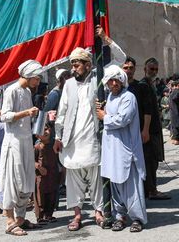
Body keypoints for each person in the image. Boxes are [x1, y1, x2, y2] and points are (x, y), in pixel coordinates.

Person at [55, 48, 106, 231]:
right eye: (72, 65)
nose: (74, 68)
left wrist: (106, 40)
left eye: (77, 65)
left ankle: (98, 212)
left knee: (95, 179)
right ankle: (77, 215)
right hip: (72, 142)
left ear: (88, 65)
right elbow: (61, 112)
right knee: (74, 181)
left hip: (92, 139)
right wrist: (57, 136)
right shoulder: (68, 84)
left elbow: (119, 59)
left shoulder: (98, 79)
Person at [97, 64, 147, 232]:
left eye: (117, 80)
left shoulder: (129, 97)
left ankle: (137, 219)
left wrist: (104, 117)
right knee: (116, 185)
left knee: (131, 185)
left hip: (127, 149)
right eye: (110, 81)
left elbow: (123, 119)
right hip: (112, 149)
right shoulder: (109, 98)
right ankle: (120, 216)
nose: (114, 84)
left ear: (122, 81)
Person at [0, 60, 43, 235]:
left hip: (25, 140)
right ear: (28, 75)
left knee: (26, 179)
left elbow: (26, 118)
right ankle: (10, 221)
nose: (38, 82)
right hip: (13, 141)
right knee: (12, 180)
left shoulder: (26, 92)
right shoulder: (12, 90)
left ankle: (21, 219)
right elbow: (4, 116)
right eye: (36, 78)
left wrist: (34, 115)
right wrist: (26, 113)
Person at [34, 69, 69, 224]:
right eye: (66, 78)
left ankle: (50, 210)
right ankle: (42, 213)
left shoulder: (65, 92)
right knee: (43, 188)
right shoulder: (56, 94)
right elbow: (47, 114)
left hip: (57, 139)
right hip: (53, 137)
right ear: (60, 80)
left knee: (54, 180)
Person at [141, 57, 168, 200]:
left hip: (155, 129)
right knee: (150, 162)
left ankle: (150, 189)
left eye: (156, 69)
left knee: (154, 161)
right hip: (149, 131)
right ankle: (151, 190)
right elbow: (147, 110)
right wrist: (145, 130)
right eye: (151, 69)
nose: (154, 71)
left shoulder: (151, 84)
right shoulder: (144, 85)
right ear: (145, 69)